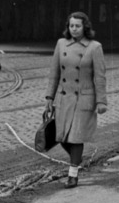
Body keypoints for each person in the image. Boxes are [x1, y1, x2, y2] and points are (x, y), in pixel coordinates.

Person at [44, 11, 108, 189]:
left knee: (75, 137)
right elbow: (54, 73)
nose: (74, 29)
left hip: (84, 99)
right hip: (64, 99)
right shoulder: (61, 44)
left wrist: (101, 101)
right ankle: (76, 159)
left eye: (77, 26)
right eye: (71, 26)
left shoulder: (94, 47)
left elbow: (100, 77)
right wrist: (49, 97)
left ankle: (73, 174)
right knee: (62, 137)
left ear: (84, 27)